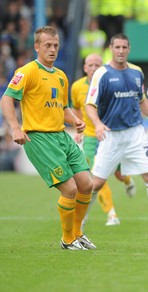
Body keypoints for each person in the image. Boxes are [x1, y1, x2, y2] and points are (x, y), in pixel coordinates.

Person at [1, 26, 95, 250]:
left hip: (61, 136)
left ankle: (78, 233)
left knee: (87, 184)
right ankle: (67, 239)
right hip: (39, 138)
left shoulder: (61, 76)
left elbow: (62, 108)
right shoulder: (27, 71)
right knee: (70, 189)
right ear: (37, 47)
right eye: (47, 46)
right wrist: (15, 128)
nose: (52, 50)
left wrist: (76, 121)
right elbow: (6, 100)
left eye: (55, 46)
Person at [85, 33, 148, 234]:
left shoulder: (137, 72)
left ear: (129, 49)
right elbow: (90, 105)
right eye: (117, 47)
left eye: (124, 47)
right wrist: (98, 124)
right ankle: (78, 223)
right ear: (111, 48)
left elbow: (142, 100)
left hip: (135, 133)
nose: (120, 51)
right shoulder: (102, 74)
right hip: (111, 134)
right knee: (97, 183)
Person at [70, 53, 137, 228]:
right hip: (92, 137)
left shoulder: (110, 83)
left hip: (111, 135)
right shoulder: (76, 87)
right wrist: (79, 128)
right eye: (90, 65)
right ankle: (111, 213)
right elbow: (76, 108)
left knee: (118, 174)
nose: (93, 68)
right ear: (84, 68)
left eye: (97, 65)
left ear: (103, 67)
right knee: (96, 177)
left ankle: (128, 180)